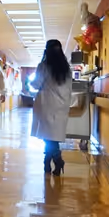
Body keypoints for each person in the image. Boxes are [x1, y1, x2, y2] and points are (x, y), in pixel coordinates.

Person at [31, 40, 73, 175]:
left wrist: (31, 82)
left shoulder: (43, 66)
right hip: (62, 106)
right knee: (52, 136)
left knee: (48, 136)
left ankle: (57, 160)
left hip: (47, 104)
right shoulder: (67, 69)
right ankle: (47, 162)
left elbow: (37, 84)